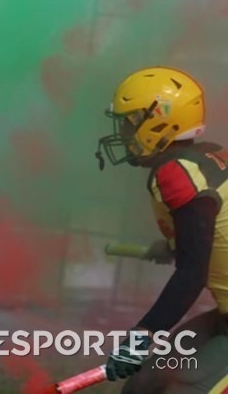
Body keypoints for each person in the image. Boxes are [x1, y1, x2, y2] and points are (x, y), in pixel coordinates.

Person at [95, 66, 228, 393]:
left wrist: (142, 336)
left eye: (129, 122)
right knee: (147, 384)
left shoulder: (175, 173)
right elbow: (211, 235)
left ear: (159, 122)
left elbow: (191, 274)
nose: (124, 133)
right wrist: (175, 245)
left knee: (182, 388)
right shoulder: (203, 158)